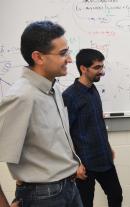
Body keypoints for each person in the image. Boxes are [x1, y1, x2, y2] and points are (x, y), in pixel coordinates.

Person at [0, 21, 84, 207]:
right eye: (63, 54)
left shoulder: (53, 88)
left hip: (68, 186)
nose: (70, 59)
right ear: (38, 57)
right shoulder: (21, 97)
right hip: (43, 196)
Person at [62, 49, 123, 207]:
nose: (101, 72)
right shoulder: (69, 96)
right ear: (83, 68)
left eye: (102, 67)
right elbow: (64, 133)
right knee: (85, 203)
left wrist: (108, 147)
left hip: (103, 157)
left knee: (116, 195)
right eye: (97, 68)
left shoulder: (93, 90)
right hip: (85, 163)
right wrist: (75, 164)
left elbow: (97, 122)